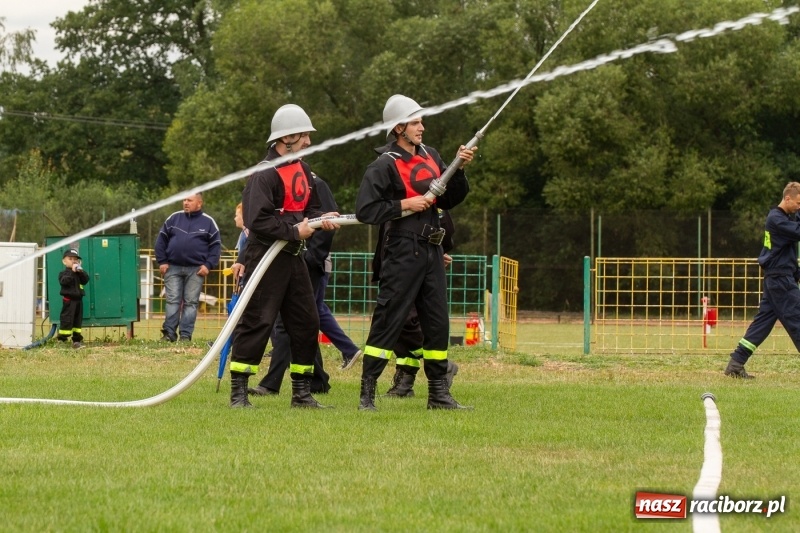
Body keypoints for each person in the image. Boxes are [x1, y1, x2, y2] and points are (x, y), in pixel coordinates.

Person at [355, 94, 476, 411]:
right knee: (389, 319)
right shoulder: (384, 165)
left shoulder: (432, 155)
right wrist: (404, 204)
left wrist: (459, 169)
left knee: (437, 323)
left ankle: (438, 393)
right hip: (402, 249)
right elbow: (367, 210)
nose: (422, 127)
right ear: (398, 128)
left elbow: (450, 199)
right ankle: (367, 393)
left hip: (433, 251)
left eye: (421, 121)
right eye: (415, 122)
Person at [228, 104, 339, 409]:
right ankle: (239, 392)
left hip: (293, 258)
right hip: (265, 256)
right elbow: (257, 220)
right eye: (304, 135)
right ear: (286, 138)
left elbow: (311, 208)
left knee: (306, 321)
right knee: (257, 322)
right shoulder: (264, 173)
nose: (308, 141)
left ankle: (301, 393)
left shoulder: (302, 170)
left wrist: (322, 218)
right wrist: (294, 231)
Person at [247, 172, 361, 397]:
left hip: (309, 264)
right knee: (305, 322)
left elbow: (327, 224)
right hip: (291, 260)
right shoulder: (283, 186)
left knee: (291, 322)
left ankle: (272, 383)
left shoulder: (316, 183)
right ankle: (317, 380)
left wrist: (310, 258)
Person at [724, 181, 800, 379]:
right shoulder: (777, 219)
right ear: (788, 198)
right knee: (797, 319)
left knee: (762, 324)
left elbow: (786, 252)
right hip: (780, 280)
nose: (799, 207)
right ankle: (735, 364)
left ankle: (736, 364)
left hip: (779, 278)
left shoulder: (784, 218)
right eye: (798, 203)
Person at [384, 209, 459, 398]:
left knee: (405, 320)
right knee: (396, 321)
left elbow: (446, 229)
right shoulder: (393, 196)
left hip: (419, 264)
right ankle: (405, 382)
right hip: (395, 262)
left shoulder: (427, 197)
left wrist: (434, 250)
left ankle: (441, 366)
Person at [155, 193, 221, 342]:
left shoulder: (209, 222)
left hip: (196, 270)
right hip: (172, 267)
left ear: (199, 203)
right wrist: (162, 261)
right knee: (172, 300)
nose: (185, 203)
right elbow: (161, 241)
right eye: (184, 200)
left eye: (189, 200)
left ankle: (185, 335)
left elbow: (215, 247)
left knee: (191, 302)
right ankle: (169, 334)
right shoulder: (173, 218)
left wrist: (208, 265)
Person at [57, 248, 90, 349]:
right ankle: (62, 340)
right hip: (69, 301)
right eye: (70, 259)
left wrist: (80, 271)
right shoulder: (63, 273)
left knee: (77, 321)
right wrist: (72, 271)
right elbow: (64, 282)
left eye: (75, 259)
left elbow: (85, 280)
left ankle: (76, 341)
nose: (73, 261)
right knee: (67, 319)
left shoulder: (78, 273)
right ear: (64, 261)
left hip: (78, 301)